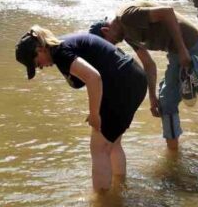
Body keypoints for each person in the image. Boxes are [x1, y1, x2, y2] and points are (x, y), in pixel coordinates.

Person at [15, 26, 147, 192]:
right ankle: (120, 188)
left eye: (36, 63)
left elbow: (93, 78)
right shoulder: (63, 45)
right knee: (112, 144)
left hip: (122, 83)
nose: (40, 67)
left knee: (98, 148)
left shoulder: (61, 53)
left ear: (40, 49)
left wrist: (94, 114)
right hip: (135, 77)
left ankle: (103, 203)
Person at [90, 2, 198, 151]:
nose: (111, 48)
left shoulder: (127, 16)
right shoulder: (126, 35)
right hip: (177, 52)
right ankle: (189, 77)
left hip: (191, 46)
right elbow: (149, 64)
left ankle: (173, 156)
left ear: (105, 30)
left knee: (167, 102)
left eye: (107, 44)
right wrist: (152, 96)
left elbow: (167, 12)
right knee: (162, 93)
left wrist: (183, 50)